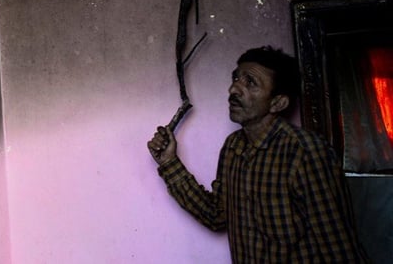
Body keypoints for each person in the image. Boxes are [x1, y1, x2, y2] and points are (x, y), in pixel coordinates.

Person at [147, 46, 370, 263]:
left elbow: (339, 248)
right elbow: (216, 215)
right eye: (236, 78)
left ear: (277, 103)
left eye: (250, 82)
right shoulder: (233, 148)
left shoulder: (304, 152)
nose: (233, 89)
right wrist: (169, 162)